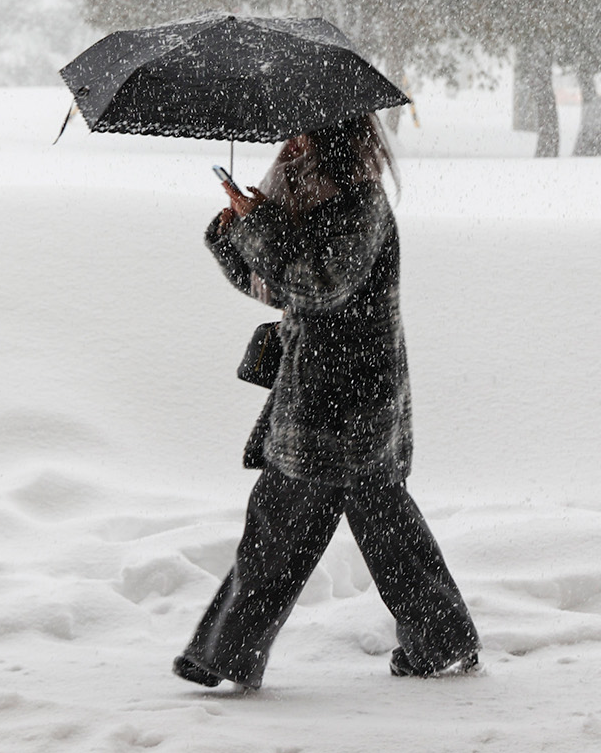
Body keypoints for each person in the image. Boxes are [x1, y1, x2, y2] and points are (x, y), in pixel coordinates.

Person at [172, 113, 481, 690]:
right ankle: (441, 642)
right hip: (324, 398)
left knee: (282, 526)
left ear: (327, 136)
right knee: (377, 527)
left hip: (348, 403)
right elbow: (278, 286)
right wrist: (235, 229)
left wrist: (258, 225)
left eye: (301, 132)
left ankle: (226, 654)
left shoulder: (360, 202)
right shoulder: (310, 195)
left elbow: (319, 286)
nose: (290, 141)